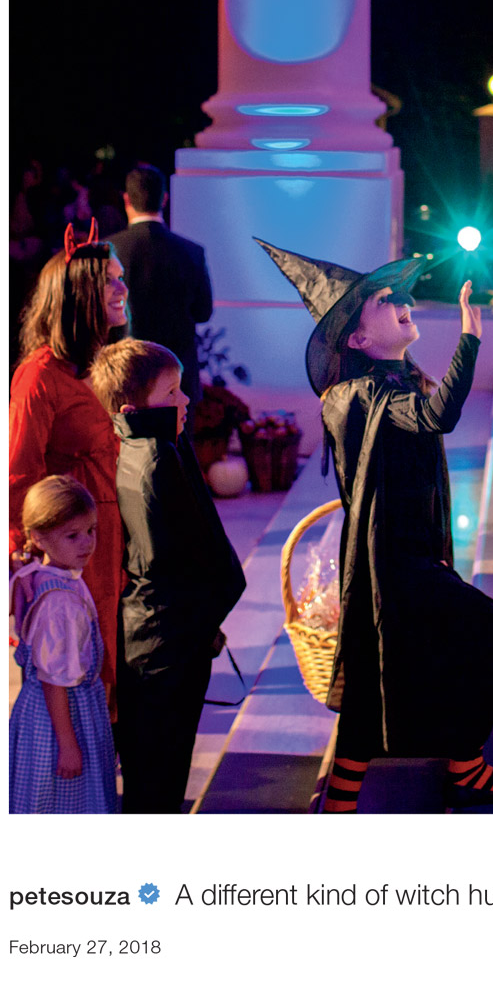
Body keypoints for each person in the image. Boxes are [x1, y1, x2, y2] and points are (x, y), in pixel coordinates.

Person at [257, 238, 493, 811]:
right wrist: (471, 339)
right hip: (389, 565)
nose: (400, 299)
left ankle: (457, 769)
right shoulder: (354, 395)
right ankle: (456, 770)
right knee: (486, 635)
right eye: (383, 300)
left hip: (412, 557)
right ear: (358, 339)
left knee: (388, 674)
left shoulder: (392, 381)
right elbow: (439, 416)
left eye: (399, 293)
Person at [89, 338, 245, 813]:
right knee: (160, 775)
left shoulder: (139, 445)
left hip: (155, 635)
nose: (186, 401)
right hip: (165, 644)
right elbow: (174, 563)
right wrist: (202, 620)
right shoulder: (157, 461)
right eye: (172, 393)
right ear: (135, 406)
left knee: (153, 771)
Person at [9, 221, 129, 714]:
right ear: (78, 295)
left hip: (117, 533)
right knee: (80, 667)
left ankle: (106, 770)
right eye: (110, 281)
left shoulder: (105, 362)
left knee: (116, 660)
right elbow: (18, 475)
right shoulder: (39, 377)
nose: (123, 289)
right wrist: (32, 560)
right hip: (74, 544)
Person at [9, 476, 118, 813]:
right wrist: (68, 744)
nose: (87, 543)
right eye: (73, 535)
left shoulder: (42, 576)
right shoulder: (61, 605)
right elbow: (53, 680)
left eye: (91, 530)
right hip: (62, 715)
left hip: (45, 712)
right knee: (63, 800)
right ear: (39, 537)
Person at [109, 165, 213, 406]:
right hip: (179, 377)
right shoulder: (191, 252)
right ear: (164, 198)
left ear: (126, 199)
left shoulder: (111, 250)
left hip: (126, 375)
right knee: (177, 442)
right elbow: (203, 312)